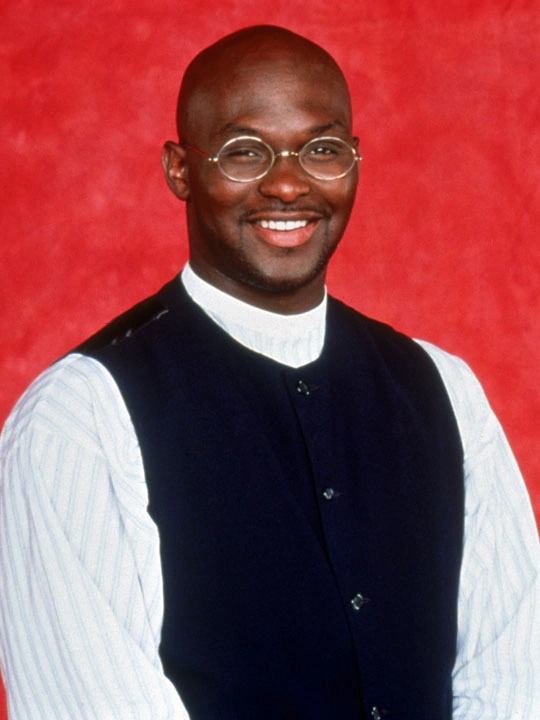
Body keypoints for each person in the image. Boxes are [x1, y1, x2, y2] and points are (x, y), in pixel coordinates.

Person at [0, 25, 539, 720]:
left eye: (322, 149)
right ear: (180, 170)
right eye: (244, 152)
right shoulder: (80, 417)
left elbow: (514, 678)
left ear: (354, 161)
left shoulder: (445, 391)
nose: (288, 185)